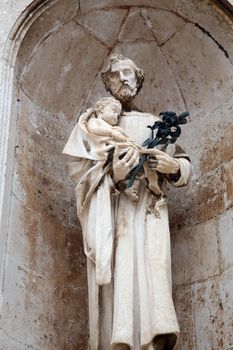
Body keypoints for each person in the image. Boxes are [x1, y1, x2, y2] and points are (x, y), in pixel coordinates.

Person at [63, 54, 192, 350]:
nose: (123, 78)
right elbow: (81, 177)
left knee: (153, 273)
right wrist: (116, 177)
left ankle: (153, 342)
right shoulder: (94, 126)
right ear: (108, 84)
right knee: (118, 280)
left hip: (150, 211)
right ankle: (119, 340)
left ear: (138, 79)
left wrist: (174, 168)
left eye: (128, 73)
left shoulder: (156, 124)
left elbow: (184, 164)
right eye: (116, 74)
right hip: (113, 212)